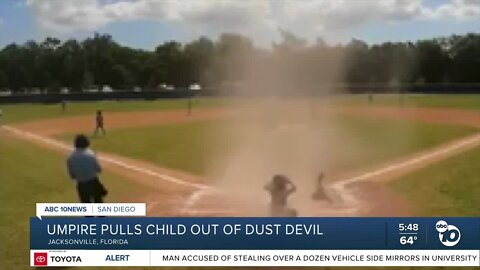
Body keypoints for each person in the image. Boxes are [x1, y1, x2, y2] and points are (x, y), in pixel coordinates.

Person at [67, 134, 107, 203]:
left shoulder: (70, 158)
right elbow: (99, 169)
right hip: (93, 183)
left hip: (81, 185)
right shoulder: (91, 154)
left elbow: (72, 176)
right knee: (99, 203)